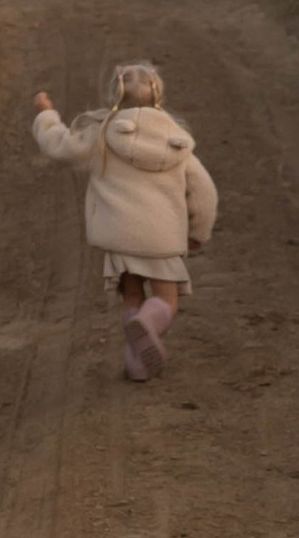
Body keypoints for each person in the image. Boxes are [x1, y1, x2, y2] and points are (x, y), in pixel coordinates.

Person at [31, 59, 217, 379]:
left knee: (132, 296)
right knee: (166, 301)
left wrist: (45, 114)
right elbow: (205, 192)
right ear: (159, 96)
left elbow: (59, 147)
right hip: (162, 239)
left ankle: (137, 365)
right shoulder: (177, 141)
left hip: (120, 236)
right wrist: (199, 232)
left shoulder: (101, 134)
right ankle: (148, 322)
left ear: (113, 96)